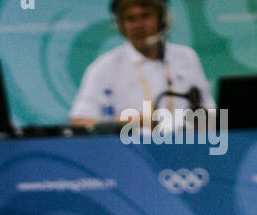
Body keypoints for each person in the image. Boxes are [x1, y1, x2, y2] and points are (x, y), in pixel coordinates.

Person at [71, 0, 215, 127]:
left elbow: (210, 115)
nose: (138, 25)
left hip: (183, 148)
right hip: (129, 150)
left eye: (145, 16)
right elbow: (80, 122)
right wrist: (134, 121)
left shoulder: (186, 57)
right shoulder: (104, 67)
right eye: (130, 19)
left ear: (162, 19)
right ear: (120, 26)